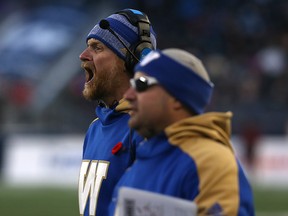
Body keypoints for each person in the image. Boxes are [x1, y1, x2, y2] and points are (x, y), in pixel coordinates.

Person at [109, 48, 255, 216]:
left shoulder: (209, 162)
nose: (128, 95)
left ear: (177, 98)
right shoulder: (143, 158)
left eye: (141, 84)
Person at [78, 9, 157, 216]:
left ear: (132, 60)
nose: (83, 56)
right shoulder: (95, 128)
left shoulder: (148, 130)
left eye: (97, 47)